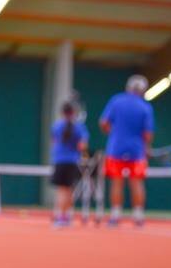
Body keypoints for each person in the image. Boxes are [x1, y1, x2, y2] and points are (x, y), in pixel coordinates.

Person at [100, 75, 154, 227]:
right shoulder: (145, 107)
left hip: (115, 149)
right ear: (143, 90)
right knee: (137, 183)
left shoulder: (116, 101)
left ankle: (115, 216)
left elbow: (104, 123)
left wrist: (114, 133)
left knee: (116, 182)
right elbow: (148, 133)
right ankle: (138, 216)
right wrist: (146, 147)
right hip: (137, 151)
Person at [51, 101, 89, 227]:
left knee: (62, 190)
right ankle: (66, 215)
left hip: (60, 160)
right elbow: (82, 146)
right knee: (69, 190)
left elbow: (54, 142)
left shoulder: (57, 126)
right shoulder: (79, 127)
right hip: (72, 161)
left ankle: (61, 216)